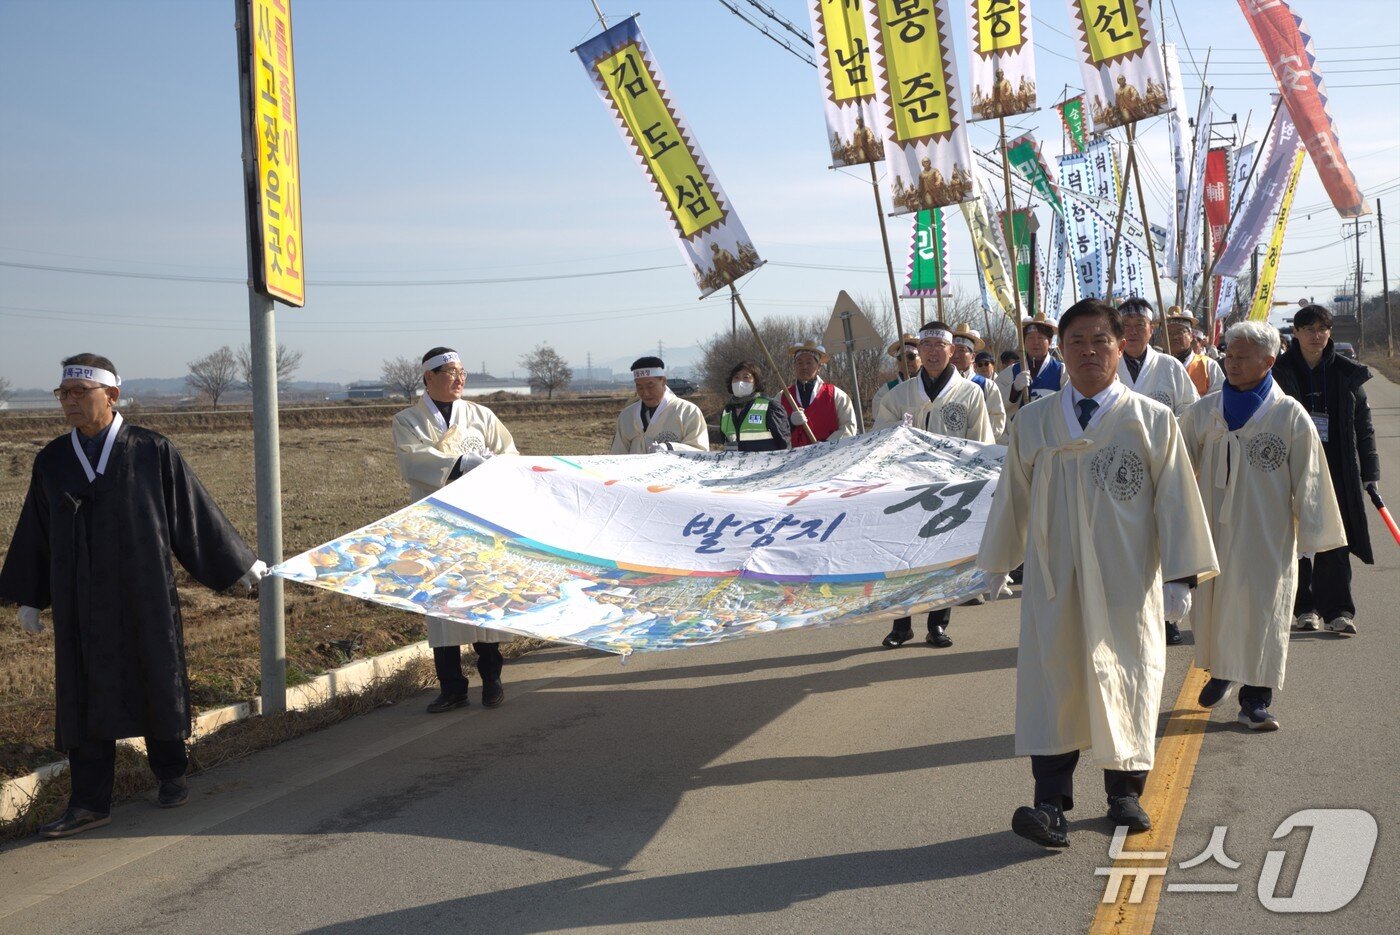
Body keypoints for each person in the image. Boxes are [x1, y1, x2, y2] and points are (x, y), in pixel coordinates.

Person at [977, 300, 1218, 848]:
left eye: (1100, 341)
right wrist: (997, 562)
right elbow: (1011, 496)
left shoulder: (1151, 420)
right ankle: (1049, 802)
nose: (1089, 351)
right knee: (1052, 678)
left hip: (1126, 574)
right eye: (1077, 342)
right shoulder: (1035, 421)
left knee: (1128, 673)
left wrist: (1181, 576)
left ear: (1120, 346)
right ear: (1061, 350)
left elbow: (1178, 499)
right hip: (1053, 574)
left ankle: (1124, 790)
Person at [1, 353, 266, 838]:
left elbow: (191, 513)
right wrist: (30, 597)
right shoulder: (53, 460)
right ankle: (88, 802)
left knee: (154, 677)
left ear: (112, 395)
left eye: (81, 392)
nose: (71, 402)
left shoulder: (150, 450)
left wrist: (239, 562)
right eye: (64, 394)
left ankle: (171, 774)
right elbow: (36, 531)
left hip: (143, 594)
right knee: (83, 695)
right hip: (79, 601)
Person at [1180, 322, 1346, 731]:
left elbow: (1310, 477)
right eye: (1228, 356)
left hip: (1266, 531)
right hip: (1213, 528)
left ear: (1269, 361)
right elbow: (1175, 469)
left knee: (1263, 609)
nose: (1231, 363)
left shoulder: (1288, 415)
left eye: (1241, 357)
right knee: (1216, 606)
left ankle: (1255, 699)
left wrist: (1312, 534)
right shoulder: (1204, 411)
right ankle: (1221, 670)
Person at [394, 347, 520, 713]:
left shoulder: (482, 415)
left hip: (480, 521)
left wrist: (496, 464)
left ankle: (492, 679)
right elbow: (411, 461)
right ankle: (452, 687)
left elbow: (509, 452)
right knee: (441, 605)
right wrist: (463, 461)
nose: (459, 378)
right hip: (437, 525)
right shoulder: (407, 420)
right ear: (428, 378)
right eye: (450, 373)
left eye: (462, 372)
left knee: (484, 597)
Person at [875, 321, 996, 649]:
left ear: (952, 351)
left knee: (942, 559)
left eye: (937, 345)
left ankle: (937, 624)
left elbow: (981, 443)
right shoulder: (898, 395)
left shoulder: (970, 393)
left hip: (950, 490)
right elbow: (880, 441)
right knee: (902, 559)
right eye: (924, 346)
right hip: (906, 489)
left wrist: (976, 486)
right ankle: (901, 624)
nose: (930, 351)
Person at [1272, 305, 1382, 635]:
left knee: (1336, 539)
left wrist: (1370, 471)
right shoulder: (1278, 371)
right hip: (1293, 466)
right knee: (1298, 539)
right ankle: (1304, 609)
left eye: (1322, 328)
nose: (1316, 335)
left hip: (1338, 466)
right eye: (1308, 329)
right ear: (1296, 333)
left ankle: (1338, 611)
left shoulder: (1347, 373)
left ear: (1330, 332)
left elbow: (1364, 427)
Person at [1115, 298, 1199, 416]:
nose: (1133, 331)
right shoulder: (1108, 367)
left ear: (1151, 330)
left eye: (1140, 325)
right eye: (1126, 325)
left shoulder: (1170, 365)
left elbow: (1191, 411)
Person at [611, 356, 709, 454]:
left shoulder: (687, 412)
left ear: (663, 381)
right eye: (640, 387)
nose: (645, 393)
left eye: (650, 386)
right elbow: (617, 454)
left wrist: (670, 448)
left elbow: (700, 452)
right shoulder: (627, 415)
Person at [780, 341, 857, 447]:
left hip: (826, 459)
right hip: (790, 459)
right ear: (794, 366)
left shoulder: (836, 395)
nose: (804, 367)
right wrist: (789, 422)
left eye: (809, 362)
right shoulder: (782, 397)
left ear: (819, 367)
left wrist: (826, 446)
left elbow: (848, 427)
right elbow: (772, 430)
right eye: (800, 362)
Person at [996, 312, 1068, 419]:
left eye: (1040, 338)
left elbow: (1069, 404)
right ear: (1023, 342)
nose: (1035, 342)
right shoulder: (1011, 372)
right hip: (1020, 432)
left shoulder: (1062, 371)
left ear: (1049, 341)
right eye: (1030, 338)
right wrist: (1014, 389)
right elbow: (995, 404)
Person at [950, 323, 1007, 438]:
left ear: (972, 357)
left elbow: (997, 423)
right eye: (953, 350)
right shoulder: (940, 383)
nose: (956, 355)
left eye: (962, 350)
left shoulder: (987, 386)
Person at [719, 360, 790, 452]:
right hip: (736, 464)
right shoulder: (726, 411)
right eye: (736, 377)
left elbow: (784, 444)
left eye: (746, 377)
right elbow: (725, 441)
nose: (740, 381)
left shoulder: (770, 407)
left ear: (756, 382)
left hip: (764, 465)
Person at [1166, 308, 1225, 397]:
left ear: (1191, 336)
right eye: (1169, 333)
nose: (1174, 337)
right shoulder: (1155, 366)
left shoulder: (1208, 365)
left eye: (1179, 332)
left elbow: (1219, 401)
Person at [870, 334, 920, 420]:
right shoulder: (886, 391)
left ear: (921, 358)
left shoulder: (932, 386)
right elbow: (881, 421)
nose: (906, 361)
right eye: (901, 357)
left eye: (911, 356)